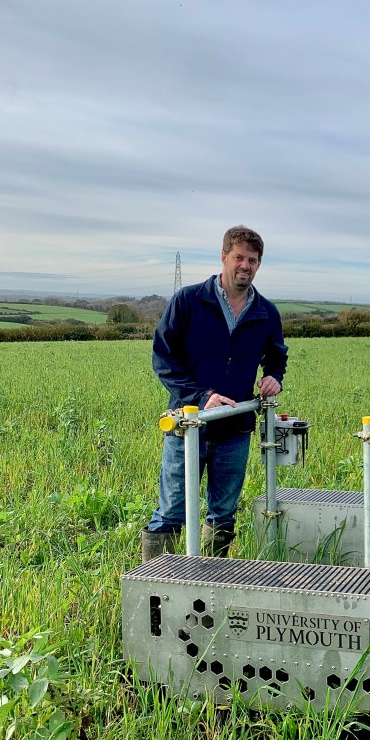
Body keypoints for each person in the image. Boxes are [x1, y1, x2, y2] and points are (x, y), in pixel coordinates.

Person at [142, 225, 288, 560]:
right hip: (188, 426)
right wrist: (199, 396)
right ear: (224, 257)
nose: (245, 266)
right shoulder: (189, 301)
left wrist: (273, 377)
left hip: (235, 429)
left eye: (252, 260)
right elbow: (163, 359)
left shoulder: (265, 312)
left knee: (222, 514)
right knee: (171, 512)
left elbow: (277, 355)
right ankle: (156, 592)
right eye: (239, 257)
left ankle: (209, 584)